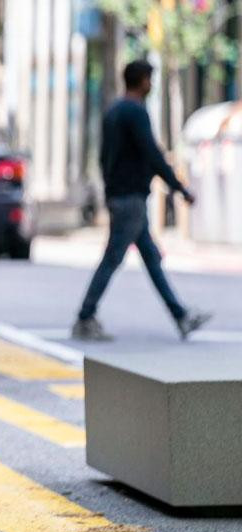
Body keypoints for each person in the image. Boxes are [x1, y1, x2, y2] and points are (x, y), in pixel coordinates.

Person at [73, 59, 210, 341]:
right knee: (113, 259)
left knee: (150, 258)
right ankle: (85, 317)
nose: (152, 84)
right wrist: (180, 188)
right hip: (130, 199)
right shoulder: (135, 112)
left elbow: (104, 157)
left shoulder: (113, 111)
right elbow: (152, 153)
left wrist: (110, 190)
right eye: (150, 78)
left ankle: (181, 315)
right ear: (141, 80)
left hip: (121, 196)